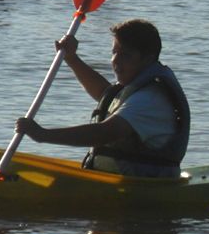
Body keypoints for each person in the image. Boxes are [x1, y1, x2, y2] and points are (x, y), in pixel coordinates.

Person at [16, 19, 190, 178]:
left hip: (141, 187)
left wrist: (43, 135)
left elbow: (105, 133)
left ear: (148, 59)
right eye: (114, 52)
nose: (116, 61)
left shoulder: (149, 99)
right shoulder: (138, 87)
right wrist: (71, 58)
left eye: (125, 55)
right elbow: (104, 94)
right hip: (122, 180)